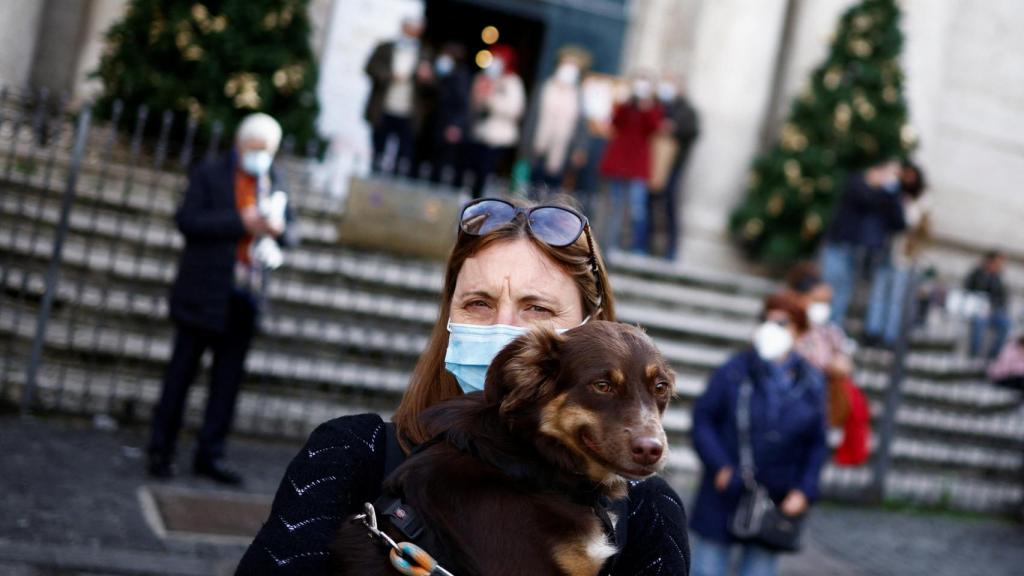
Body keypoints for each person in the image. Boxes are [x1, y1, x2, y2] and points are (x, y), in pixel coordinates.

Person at [236, 197, 690, 574]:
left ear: (594, 329)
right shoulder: (351, 453)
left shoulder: (648, 509)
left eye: (538, 309)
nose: (506, 328)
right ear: (449, 316)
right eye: (478, 303)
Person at [147, 113, 297, 485]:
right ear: (240, 144)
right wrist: (240, 223)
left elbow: (292, 230)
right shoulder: (210, 173)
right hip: (203, 292)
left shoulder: (274, 179)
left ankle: (210, 454)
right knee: (180, 376)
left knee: (226, 384)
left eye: (268, 150)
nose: (262, 156)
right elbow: (188, 221)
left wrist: (279, 233)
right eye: (257, 148)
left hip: (245, 296)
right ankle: (160, 451)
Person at [690, 293, 828, 576]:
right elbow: (703, 419)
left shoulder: (812, 385)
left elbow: (816, 444)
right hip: (725, 492)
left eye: (782, 323)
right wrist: (720, 467)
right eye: (766, 320)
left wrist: (804, 489)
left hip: (776, 500)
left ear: (800, 332)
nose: (771, 328)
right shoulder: (734, 371)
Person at [786, 262, 870, 466]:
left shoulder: (829, 331)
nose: (822, 308)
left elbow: (844, 363)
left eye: (826, 303)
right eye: (817, 301)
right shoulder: (788, 327)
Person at [819, 159, 906, 326]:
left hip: (858, 250)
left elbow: (898, 222)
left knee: (844, 290)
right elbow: (865, 199)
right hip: (839, 243)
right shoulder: (857, 183)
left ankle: (831, 328)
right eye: (891, 173)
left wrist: (893, 193)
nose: (893, 178)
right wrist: (885, 190)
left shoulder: (887, 195)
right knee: (829, 286)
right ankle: (819, 326)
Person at [864, 161, 930, 346]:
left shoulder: (920, 202)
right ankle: (873, 330)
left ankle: (890, 335)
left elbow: (919, 229)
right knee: (879, 292)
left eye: (911, 177)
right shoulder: (892, 194)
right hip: (885, 249)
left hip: (904, 255)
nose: (907, 180)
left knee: (896, 298)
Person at [598, 76, 663, 255]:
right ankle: (608, 245)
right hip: (619, 163)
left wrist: (647, 107)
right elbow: (615, 122)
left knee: (637, 209)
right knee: (614, 207)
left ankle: (634, 247)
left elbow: (655, 128)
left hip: (637, 166)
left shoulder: (653, 109)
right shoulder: (626, 107)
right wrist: (626, 102)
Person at [364, 15, 433, 175]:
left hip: (408, 112)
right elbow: (370, 68)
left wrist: (427, 78)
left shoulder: (424, 53)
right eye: (410, 28)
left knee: (404, 155)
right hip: (384, 108)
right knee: (378, 151)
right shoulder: (385, 47)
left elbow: (432, 85)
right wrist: (389, 76)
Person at [648, 76, 700, 260]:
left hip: (674, 166)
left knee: (670, 205)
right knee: (650, 204)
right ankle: (648, 244)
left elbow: (692, 132)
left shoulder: (687, 111)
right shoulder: (658, 107)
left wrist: (674, 128)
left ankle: (671, 249)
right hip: (653, 166)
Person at [468, 44, 525, 198]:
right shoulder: (484, 78)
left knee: (490, 171)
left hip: (500, 137)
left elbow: (515, 109)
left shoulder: (512, 82)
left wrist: (492, 100)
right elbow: (474, 106)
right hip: (481, 133)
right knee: (476, 172)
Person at [530, 47, 589, 191]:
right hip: (539, 145)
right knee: (533, 185)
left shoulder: (578, 94)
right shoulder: (545, 87)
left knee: (554, 188)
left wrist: (580, 148)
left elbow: (581, 125)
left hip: (563, 150)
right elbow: (532, 117)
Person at [418, 42, 471, 185]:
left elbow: (462, 104)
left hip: (446, 127)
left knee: (440, 164)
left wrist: (455, 125)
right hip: (433, 124)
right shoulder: (440, 74)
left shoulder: (460, 76)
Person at [965, 251, 1011, 359]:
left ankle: (993, 355)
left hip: (993, 311)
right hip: (976, 309)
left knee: (1006, 323)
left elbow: (1003, 298)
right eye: (997, 262)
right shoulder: (976, 274)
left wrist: (994, 307)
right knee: (979, 323)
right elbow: (968, 290)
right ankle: (974, 355)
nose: (998, 266)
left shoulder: (998, 278)